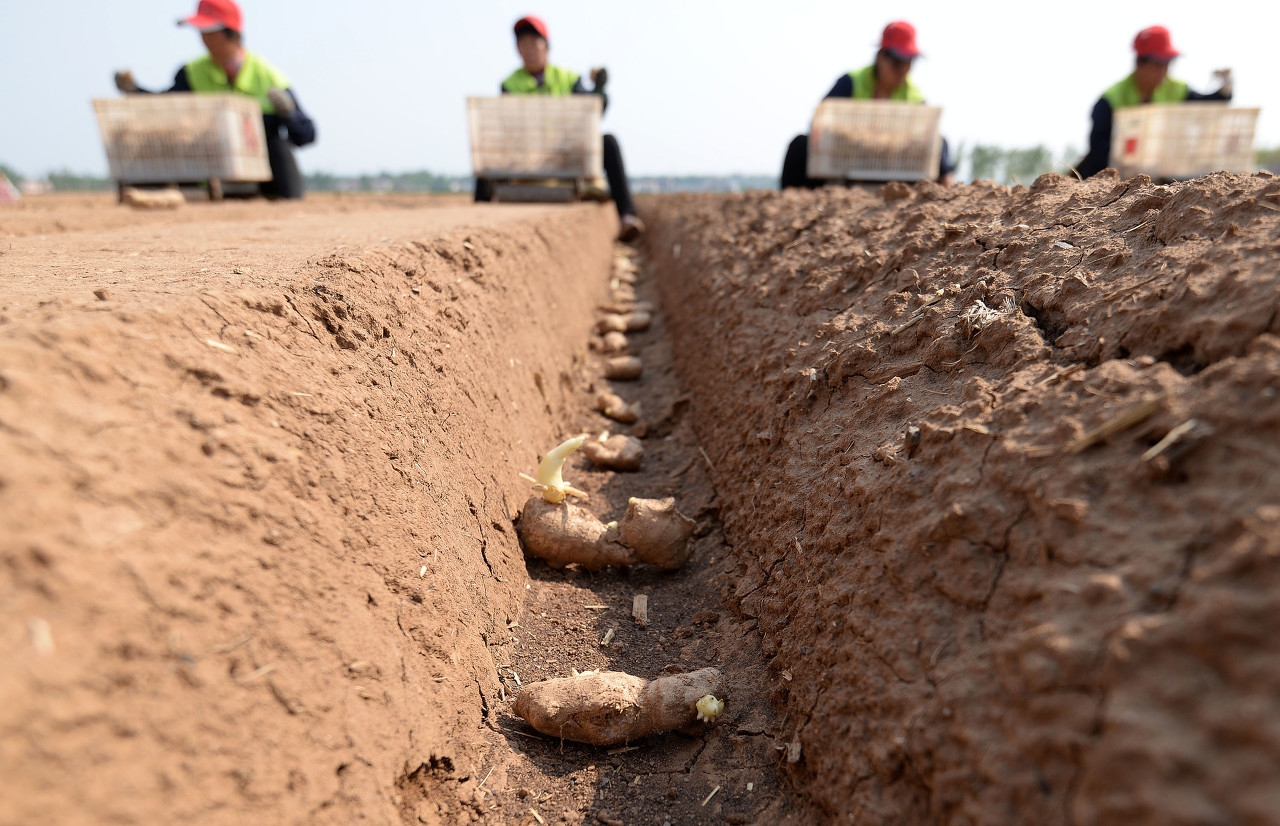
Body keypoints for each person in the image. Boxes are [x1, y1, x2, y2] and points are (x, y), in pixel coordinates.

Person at [113, 0, 316, 199]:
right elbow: (165, 108)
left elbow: (307, 135)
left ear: (231, 33)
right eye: (202, 32)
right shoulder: (191, 73)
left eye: (210, 32)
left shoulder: (269, 77)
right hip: (208, 164)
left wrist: (290, 115)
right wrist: (135, 91)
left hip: (260, 170)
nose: (204, 39)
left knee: (278, 143)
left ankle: (277, 197)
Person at [479, 16, 643, 242]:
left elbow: (593, 111)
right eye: (523, 44)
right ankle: (479, 218)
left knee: (608, 142)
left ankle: (627, 216)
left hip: (567, 156)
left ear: (546, 46)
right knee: (486, 146)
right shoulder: (510, 84)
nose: (529, 49)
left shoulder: (568, 79)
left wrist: (600, 89)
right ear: (517, 49)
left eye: (534, 42)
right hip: (529, 160)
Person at [781, 21, 955, 190]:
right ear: (881, 56)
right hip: (844, 162)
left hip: (896, 167)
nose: (903, 70)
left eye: (908, 62)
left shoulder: (914, 96)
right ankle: (791, 204)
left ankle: (948, 195)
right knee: (800, 145)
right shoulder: (850, 82)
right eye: (897, 62)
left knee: (940, 142)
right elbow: (818, 124)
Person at [1076, 26, 1232, 179]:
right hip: (1115, 179)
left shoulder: (1175, 89)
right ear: (1139, 64)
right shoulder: (1111, 99)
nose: (1163, 71)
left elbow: (1207, 106)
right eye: (1158, 64)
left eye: (1167, 63)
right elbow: (1098, 147)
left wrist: (1225, 90)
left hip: (1161, 174)